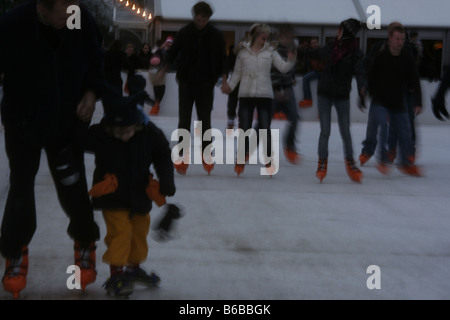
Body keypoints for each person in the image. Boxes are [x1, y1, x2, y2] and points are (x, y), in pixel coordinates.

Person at [0, 0, 103, 298]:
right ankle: (14, 251)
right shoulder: (13, 26)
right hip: (24, 123)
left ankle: (85, 243)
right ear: (41, 9)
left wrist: (91, 92)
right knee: (20, 185)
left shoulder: (76, 18)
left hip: (66, 123)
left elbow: (95, 58)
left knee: (73, 185)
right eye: (61, 15)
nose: (69, 18)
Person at [85, 89, 176, 297]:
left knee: (138, 233)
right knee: (121, 233)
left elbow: (163, 155)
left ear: (137, 123)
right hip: (112, 194)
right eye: (118, 132)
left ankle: (132, 269)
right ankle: (116, 274)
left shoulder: (150, 133)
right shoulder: (101, 133)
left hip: (139, 196)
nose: (123, 136)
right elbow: (76, 139)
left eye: (127, 131)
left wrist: (167, 181)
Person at [154, 1, 229, 175]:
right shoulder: (185, 32)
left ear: (208, 18)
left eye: (203, 20)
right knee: (183, 122)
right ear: (194, 16)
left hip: (206, 84)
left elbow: (223, 60)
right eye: (198, 19)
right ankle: (182, 157)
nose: (200, 22)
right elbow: (171, 55)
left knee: (205, 122)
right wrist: (162, 72)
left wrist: (224, 81)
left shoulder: (216, 35)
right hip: (187, 83)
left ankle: (206, 154)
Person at [222, 23, 296, 176]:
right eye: (263, 32)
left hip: (264, 94)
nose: (266, 35)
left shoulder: (270, 52)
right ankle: (241, 159)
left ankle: (268, 160)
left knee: (265, 129)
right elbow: (237, 73)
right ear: (255, 34)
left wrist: (291, 60)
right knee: (245, 129)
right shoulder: (243, 52)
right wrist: (229, 86)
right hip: (246, 94)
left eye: (267, 33)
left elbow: (282, 68)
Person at [359, 23, 421, 166]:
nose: (399, 41)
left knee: (404, 122)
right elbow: (369, 66)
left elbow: (413, 70)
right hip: (381, 92)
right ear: (390, 35)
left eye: (402, 38)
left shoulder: (407, 49)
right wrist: (367, 89)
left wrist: (416, 98)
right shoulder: (379, 49)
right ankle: (368, 150)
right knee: (375, 122)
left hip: (402, 91)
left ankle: (401, 150)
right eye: (397, 37)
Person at [315, 18, 366, 183]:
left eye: (340, 29)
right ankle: (322, 162)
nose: (336, 32)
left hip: (342, 96)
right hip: (324, 93)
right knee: (325, 131)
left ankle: (350, 163)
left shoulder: (355, 52)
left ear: (345, 33)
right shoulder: (331, 46)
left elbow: (359, 71)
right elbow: (319, 56)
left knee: (345, 131)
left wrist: (362, 89)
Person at [270, 24, 301, 164]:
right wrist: (275, 90)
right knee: (264, 122)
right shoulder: (272, 50)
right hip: (272, 89)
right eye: (286, 37)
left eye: (290, 37)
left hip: (287, 88)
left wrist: (291, 77)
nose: (289, 39)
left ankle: (290, 147)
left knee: (294, 117)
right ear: (280, 36)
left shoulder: (292, 50)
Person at [148, 36, 173, 116]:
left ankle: (156, 105)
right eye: (168, 42)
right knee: (157, 87)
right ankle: (156, 105)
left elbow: (172, 60)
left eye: (170, 43)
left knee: (161, 87)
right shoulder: (160, 50)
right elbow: (154, 58)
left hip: (165, 70)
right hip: (159, 70)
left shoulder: (173, 51)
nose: (169, 44)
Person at [298, 37, 322, 108]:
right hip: (317, 71)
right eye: (312, 43)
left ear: (318, 43)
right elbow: (305, 65)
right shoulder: (309, 52)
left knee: (322, 91)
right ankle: (308, 100)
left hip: (323, 72)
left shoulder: (322, 51)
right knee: (305, 78)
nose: (314, 44)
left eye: (315, 42)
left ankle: (321, 110)